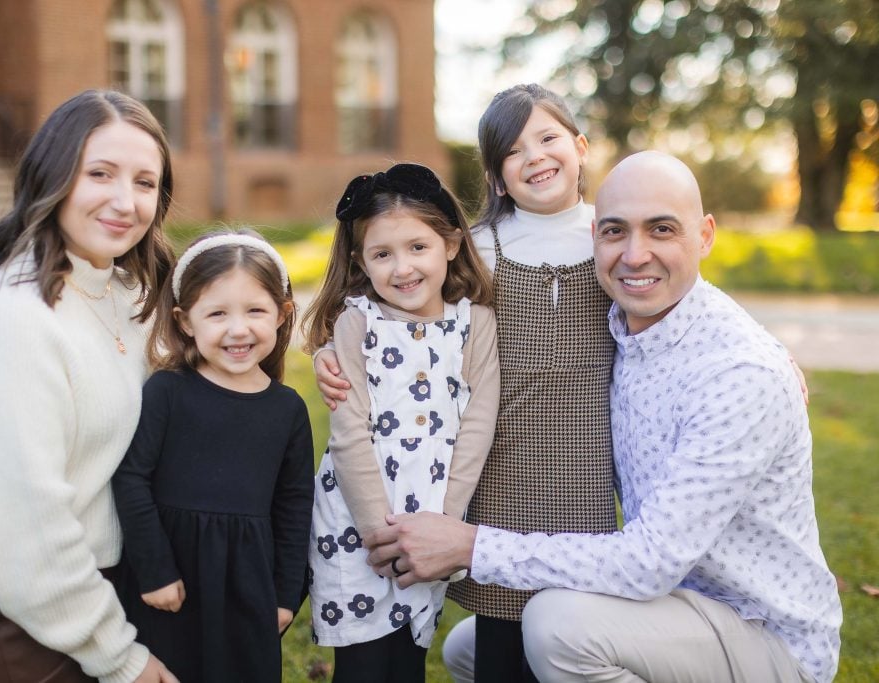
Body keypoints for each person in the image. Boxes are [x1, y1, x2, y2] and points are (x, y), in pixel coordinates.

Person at [363, 151, 843, 683]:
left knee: (555, 627)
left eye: (662, 229)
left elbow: (647, 561)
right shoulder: (618, 324)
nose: (635, 255)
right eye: (616, 232)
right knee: (469, 649)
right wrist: (344, 349)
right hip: (676, 603)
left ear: (704, 236)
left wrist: (472, 546)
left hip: (764, 634)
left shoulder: (739, 375)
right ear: (594, 236)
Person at [314, 84, 617, 682]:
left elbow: (679, 293)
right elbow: (408, 316)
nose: (534, 155)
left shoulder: (609, 236)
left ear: (580, 147)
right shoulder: (483, 246)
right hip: (498, 476)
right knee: (504, 642)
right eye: (513, 149)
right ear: (497, 178)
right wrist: (332, 351)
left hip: (582, 473)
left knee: (578, 623)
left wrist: (768, 351)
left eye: (549, 138)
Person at [0, 90, 178, 682]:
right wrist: (120, 657)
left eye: (144, 182)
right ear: (53, 177)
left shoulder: (128, 292)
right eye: (101, 174)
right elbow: (28, 526)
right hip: (7, 611)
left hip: (93, 589)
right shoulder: (16, 314)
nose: (124, 201)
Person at [302, 163, 500, 682]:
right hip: (358, 525)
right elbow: (349, 434)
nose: (402, 268)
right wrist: (377, 536)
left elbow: (478, 426)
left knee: (408, 659)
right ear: (360, 261)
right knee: (364, 666)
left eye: (418, 247)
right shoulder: (358, 324)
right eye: (382, 254)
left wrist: (446, 523)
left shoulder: (474, 324)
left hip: (433, 520)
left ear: (452, 244)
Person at [112, 229, 315, 682]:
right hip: (171, 581)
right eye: (217, 313)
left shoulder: (287, 410)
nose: (237, 329)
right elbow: (131, 478)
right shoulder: (167, 392)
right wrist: (154, 569)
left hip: (247, 585)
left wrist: (285, 596)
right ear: (185, 321)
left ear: (282, 315)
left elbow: (295, 505)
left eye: (255, 311)